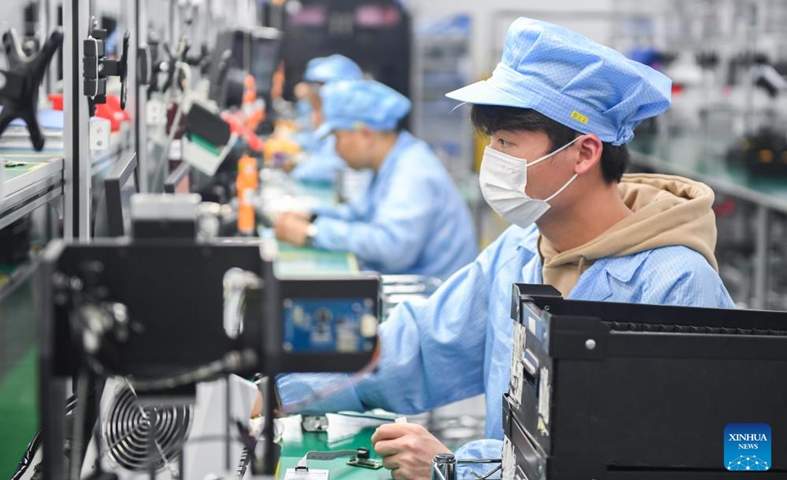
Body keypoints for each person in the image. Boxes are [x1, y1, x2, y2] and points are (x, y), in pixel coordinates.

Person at [277, 17, 735, 479]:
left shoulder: (675, 282)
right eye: (491, 141)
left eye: (506, 142)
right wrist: (280, 389)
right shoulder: (521, 250)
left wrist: (460, 468)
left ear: (584, 153)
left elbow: (651, 458)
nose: (492, 160)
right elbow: (417, 348)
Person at [274, 79, 478, 279]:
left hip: (430, 296)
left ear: (365, 134)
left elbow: (393, 249)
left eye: (337, 137)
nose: (335, 148)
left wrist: (313, 233)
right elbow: (361, 212)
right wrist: (312, 215)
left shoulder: (412, 172)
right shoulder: (388, 162)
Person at [291, 54, 365, 184]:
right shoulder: (328, 117)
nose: (316, 92)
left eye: (321, 86)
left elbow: (335, 167)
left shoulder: (354, 124)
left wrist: (299, 166)